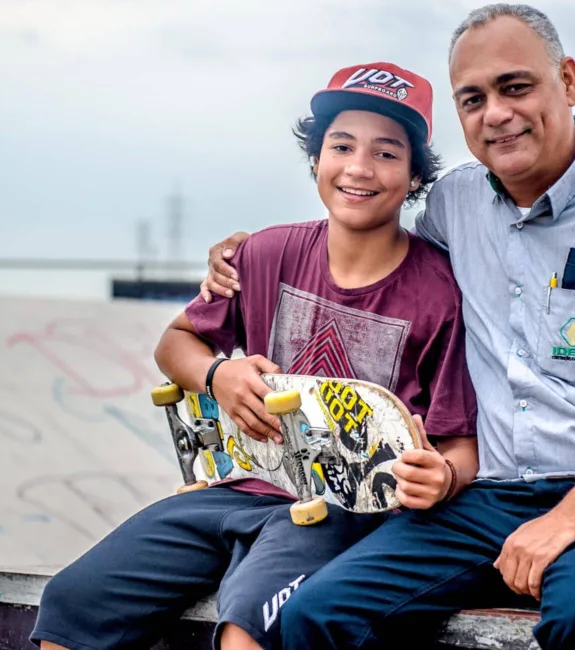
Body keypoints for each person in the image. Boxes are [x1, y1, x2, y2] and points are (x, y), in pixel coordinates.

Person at [200, 4, 575, 650]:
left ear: (568, 82)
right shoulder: (455, 206)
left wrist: (566, 518)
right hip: (492, 499)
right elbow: (370, 249)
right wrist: (244, 253)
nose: (496, 114)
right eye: (473, 98)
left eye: (516, 87)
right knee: (318, 614)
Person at [29, 61, 479, 650]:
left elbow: (459, 446)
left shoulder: (440, 293)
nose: (360, 168)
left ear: (417, 175)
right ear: (316, 159)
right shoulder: (265, 253)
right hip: (239, 488)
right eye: (341, 145)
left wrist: (441, 478)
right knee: (70, 602)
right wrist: (218, 375)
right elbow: (175, 343)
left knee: (248, 627)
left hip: (345, 512)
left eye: (387, 153)